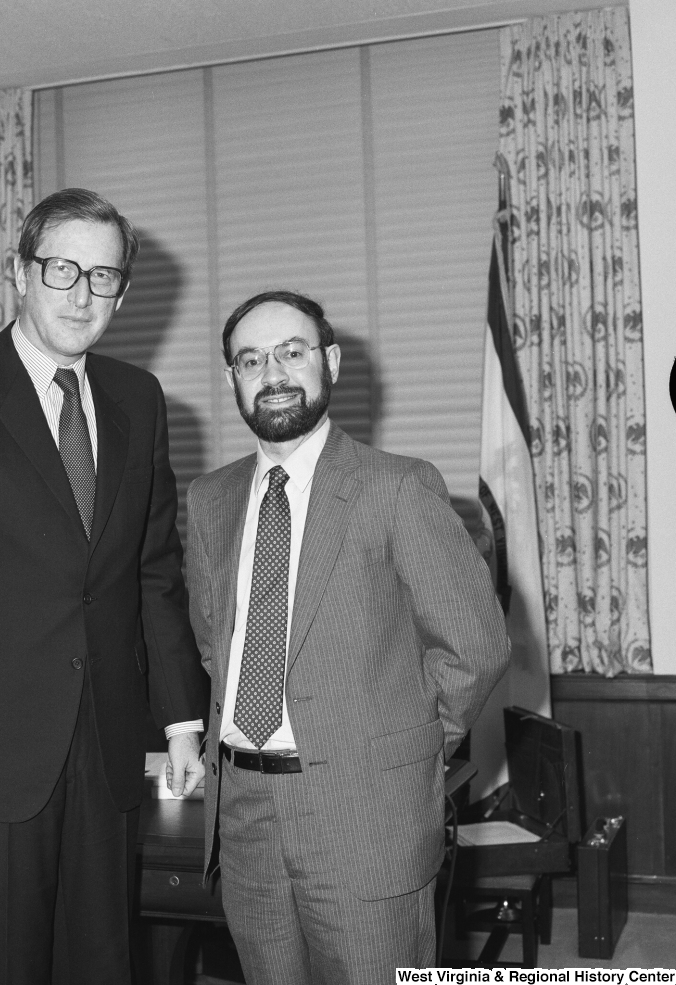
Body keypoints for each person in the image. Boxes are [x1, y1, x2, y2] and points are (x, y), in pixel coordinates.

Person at [0, 188, 207, 985]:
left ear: (123, 290)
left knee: (103, 964)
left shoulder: (138, 398)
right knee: (5, 967)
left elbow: (153, 571)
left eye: (104, 275)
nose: (83, 293)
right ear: (21, 273)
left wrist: (182, 717)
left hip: (110, 746)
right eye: (62, 269)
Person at [184, 290, 509, 984]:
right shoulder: (209, 501)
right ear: (233, 378)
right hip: (242, 817)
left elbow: (474, 645)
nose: (271, 372)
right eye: (250, 359)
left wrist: (401, 745)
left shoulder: (396, 487)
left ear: (328, 361)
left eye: (291, 352)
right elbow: (218, 646)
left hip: (365, 815)